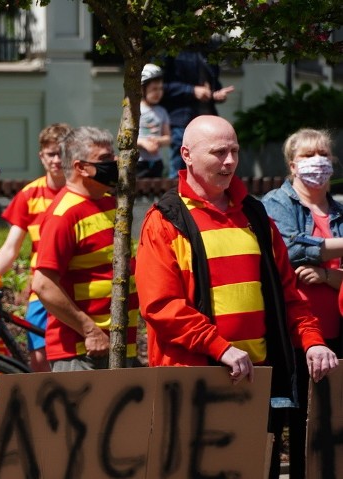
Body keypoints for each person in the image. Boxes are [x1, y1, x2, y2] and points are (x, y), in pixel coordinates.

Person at [135, 115, 338, 479]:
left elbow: (287, 294)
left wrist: (312, 341)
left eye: (234, 151)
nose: (229, 161)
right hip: (193, 386)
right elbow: (160, 306)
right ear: (187, 155)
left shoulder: (255, 214)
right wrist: (220, 347)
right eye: (218, 153)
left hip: (256, 386)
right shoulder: (164, 220)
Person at [261, 128, 343, 479]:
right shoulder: (275, 203)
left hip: (336, 332)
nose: (317, 162)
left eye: (322, 154)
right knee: (289, 421)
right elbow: (288, 248)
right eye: (308, 156)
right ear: (292, 164)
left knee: (327, 426)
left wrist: (327, 276)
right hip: (294, 336)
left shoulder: (338, 210)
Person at [31, 126, 141, 371]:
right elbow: (43, 284)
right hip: (82, 353)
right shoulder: (64, 214)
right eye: (104, 159)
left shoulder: (111, 203)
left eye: (112, 156)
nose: (114, 163)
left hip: (118, 346)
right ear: (80, 167)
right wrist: (89, 330)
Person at [0, 123, 71, 372]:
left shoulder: (80, 191)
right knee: (38, 353)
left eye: (62, 153)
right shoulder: (29, 195)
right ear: (41, 156)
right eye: (51, 154)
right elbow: (10, 248)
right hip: (42, 287)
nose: (57, 160)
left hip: (75, 286)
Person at [161, 49, 235, 178]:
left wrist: (216, 94)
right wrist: (192, 90)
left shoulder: (208, 51)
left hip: (208, 122)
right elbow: (162, 86)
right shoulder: (173, 50)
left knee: (210, 167)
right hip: (182, 119)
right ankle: (176, 196)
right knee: (179, 168)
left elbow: (212, 85)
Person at [137, 63, 171, 178]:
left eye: (160, 89)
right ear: (142, 89)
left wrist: (159, 141)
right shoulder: (135, 110)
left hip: (156, 162)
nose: (158, 93)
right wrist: (143, 143)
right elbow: (125, 138)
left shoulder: (162, 111)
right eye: (154, 89)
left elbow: (168, 138)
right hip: (139, 162)